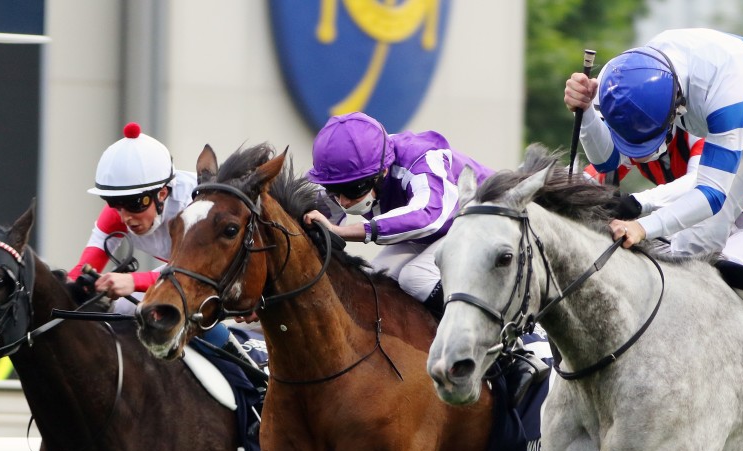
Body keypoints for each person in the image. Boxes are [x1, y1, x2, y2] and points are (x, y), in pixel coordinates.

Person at [565, 28, 743, 394]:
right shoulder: (621, 77)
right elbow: (606, 158)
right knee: (690, 245)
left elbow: (711, 195)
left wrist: (644, 227)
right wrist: (587, 111)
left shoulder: (723, 91)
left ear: (676, 106)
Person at [73, 122, 257, 368]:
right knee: (109, 304)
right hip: (185, 279)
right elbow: (81, 270)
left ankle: (247, 370)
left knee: (171, 305)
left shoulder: (194, 204)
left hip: (228, 278)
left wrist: (132, 281)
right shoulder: (117, 215)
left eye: (135, 203)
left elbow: (191, 272)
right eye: (115, 203)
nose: (125, 216)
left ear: (162, 194)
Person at [301, 111, 494, 317]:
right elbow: (314, 241)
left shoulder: (421, 158)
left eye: (353, 189)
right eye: (334, 190)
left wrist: (345, 231)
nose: (343, 201)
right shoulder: (346, 175)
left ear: (382, 172)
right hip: (441, 231)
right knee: (372, 282)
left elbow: (428, 215)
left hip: (485, 221)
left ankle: (516, 335)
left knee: (417, 277)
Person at [584, 126, 743, 279]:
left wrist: (638, 201)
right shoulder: (631, 136)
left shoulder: (699, 129)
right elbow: (583, 182)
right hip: (717, 213)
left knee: (722, 272)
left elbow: (701, 184)